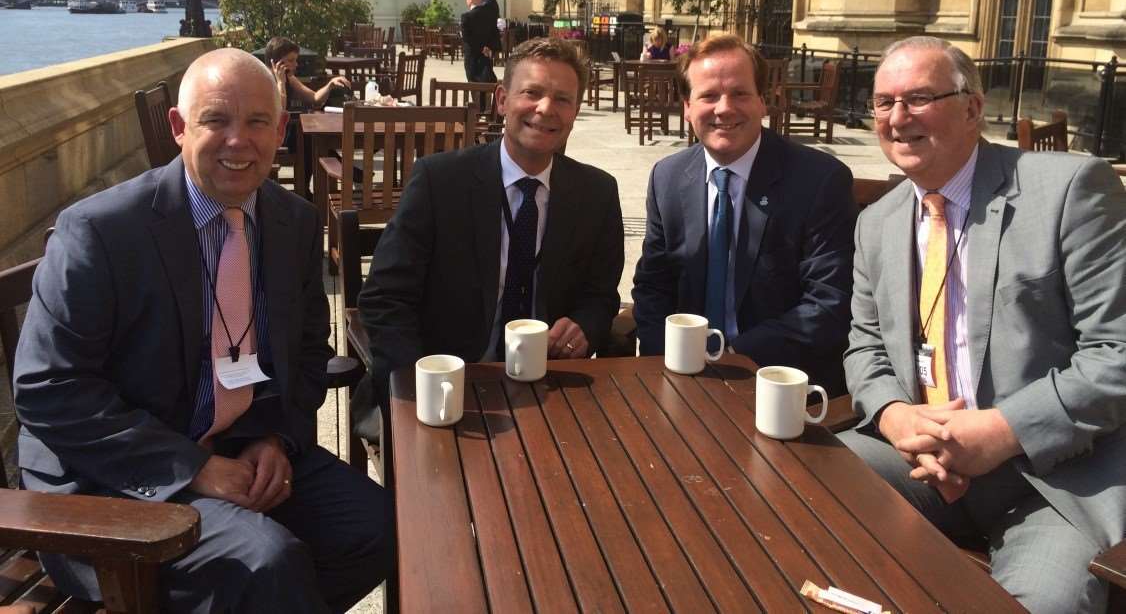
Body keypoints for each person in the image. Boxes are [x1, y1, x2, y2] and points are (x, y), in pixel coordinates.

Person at [14, 48, 390, 613]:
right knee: (266, 564)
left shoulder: (294, 223)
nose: (239, 142)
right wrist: (193, 468)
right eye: (216, 119)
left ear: (280, 129)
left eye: (258, 122)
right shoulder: (100, 231)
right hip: (114, 479)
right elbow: (49, 389)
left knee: (384, 526)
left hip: (245, 446)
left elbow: (310, 351)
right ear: (178, 128)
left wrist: (277, 438)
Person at [838, 37, 1126, 613]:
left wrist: (997, 432)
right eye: (883, 102)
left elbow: (1115, 353)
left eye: (920, 98)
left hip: (1053, 481)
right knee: (783, 480)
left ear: (973, 108)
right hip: (917, 460)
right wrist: (898, 419)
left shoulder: (1069, 190)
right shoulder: (877, 222)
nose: (898, 118)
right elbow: (864, 347)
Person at [357, 36, 625, 401]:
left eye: (563, 99)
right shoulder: (440, 182)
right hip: (448, 381)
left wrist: (585, 326)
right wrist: (422, 385)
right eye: (532, 92)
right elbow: (384, 298)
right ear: (502, 100)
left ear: (575, 112)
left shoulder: (597, 193)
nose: (546, 108)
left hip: (548, 382)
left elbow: (601, 295)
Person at [632, 33, 855, 395]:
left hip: (781, 384)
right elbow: (653, 286)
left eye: (739, 93)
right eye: (708, 96)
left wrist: (731, 355)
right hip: (683, 378)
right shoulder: (667, 178)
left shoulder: (820, 181)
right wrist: (665, 357)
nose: (724, 108)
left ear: (764, 102)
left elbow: (829, 301)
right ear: (687, 107)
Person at [265, 36, 351, 196]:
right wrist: (280, 83)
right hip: (271, 134)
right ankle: (344, 171)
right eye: (291, 60)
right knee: (308, 140)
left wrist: (330, 84)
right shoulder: (266, 81)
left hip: (288, 132)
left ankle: (307, 189)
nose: (296, 64)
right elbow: (279, 112)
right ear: (276, 63)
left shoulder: (290, 79)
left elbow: (314, 99)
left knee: (311, 139)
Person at [460, 0, 502, 85]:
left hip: (481, 49)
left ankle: (485, 102)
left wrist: (466, 15)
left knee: (480, 83)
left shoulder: (488, 3)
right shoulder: (486, 1)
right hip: (480, 49)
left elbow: (473, 19)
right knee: (480, 82)